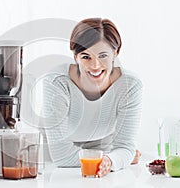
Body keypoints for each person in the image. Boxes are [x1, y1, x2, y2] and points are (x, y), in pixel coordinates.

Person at [36, 18, 143, 177]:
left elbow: (126, 147)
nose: (95, 66)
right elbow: (62, 155)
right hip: (55, 167)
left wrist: (114, 159)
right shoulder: (56, 82)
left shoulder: (130, 86)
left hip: (102, 164)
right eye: (86, 57)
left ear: (115, 53)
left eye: (103, 55)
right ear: (75, 56)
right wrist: (116, 158)